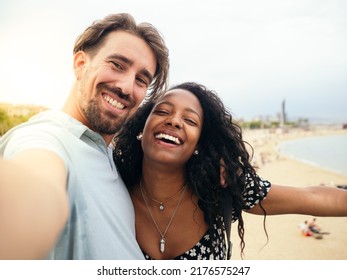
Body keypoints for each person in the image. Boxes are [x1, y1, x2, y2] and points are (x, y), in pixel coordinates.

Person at [0, 13, 169, 260]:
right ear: (80, 64)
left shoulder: (109, 156)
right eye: (117, 65)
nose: (126, 87)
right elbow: (37, 188)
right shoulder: (46, 137)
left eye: (141, 79)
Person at [113, 82, 347, 260]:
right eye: (162, 111)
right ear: (141, 126)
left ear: (200, 144)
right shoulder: (111, 183)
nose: (174, 121)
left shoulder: (220, 189)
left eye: (191, 121)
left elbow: (311, 197)